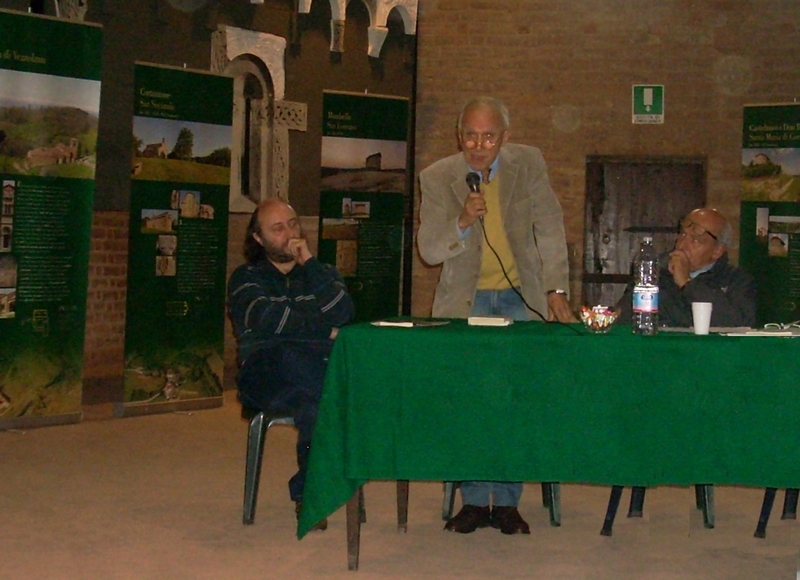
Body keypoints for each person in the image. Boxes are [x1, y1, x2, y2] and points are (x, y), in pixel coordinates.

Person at [417, 96, 575, 535]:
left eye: (488, 136)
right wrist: (463, 222)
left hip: (518, 299)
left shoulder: (529, 164)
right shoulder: (437, 177)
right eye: (470, 134)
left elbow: (549, 228)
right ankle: (471, 501)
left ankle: (506, 502)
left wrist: (556, 288)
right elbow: (430, 250)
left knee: (514, 401)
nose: (478, 144)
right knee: (468, 402)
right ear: (459, 133)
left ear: (504, 137)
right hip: (465, 303)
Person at [228, 199, 355, 530]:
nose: (290, 233)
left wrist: (309, 263)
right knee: (299, 362)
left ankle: (308, 494)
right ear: (258, 238)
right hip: (265, 371)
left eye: (293, 224)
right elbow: (269, 318)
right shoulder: (246, 277)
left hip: (313, 371)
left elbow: (343, 312)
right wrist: (325, 328)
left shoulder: (322, 273)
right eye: (278, 228)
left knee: (316, 403)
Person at [618, 207, 757, 328]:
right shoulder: (655, 273)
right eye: (683, 234)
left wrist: (686, 283)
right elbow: (624, 316)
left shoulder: (736, 280)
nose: (683, 244)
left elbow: (739, 323)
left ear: (717, 251)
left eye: (695, 240)